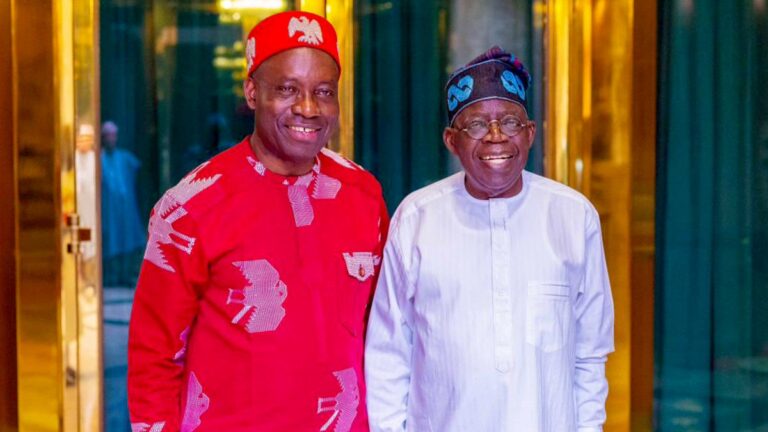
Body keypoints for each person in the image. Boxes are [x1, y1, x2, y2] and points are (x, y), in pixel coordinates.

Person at [128, 11, 388, 432]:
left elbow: (384, 332)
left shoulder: (363, 194)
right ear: (252, 92)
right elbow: (153, 358)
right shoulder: (191, 207)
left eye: (324, 92)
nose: (308, 108)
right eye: (287, 89)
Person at [364, 47, 614, 432]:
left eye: (510, 122)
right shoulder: (416, 219)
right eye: (477, 125)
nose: (496, 137)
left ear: (530, 133)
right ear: (452, 140)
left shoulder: (573, 216)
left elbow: (590, 354)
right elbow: (388, 355)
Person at [100, 120, 146, 286]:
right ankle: (111, 277)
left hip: (126, 208)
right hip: (108, 209)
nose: (111, 139)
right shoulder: (99, 159)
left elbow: (139, 171)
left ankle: (126, 275)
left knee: (128, 239)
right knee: (111, 240)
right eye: (108, 135)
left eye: (113, 135)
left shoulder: (124, 158)